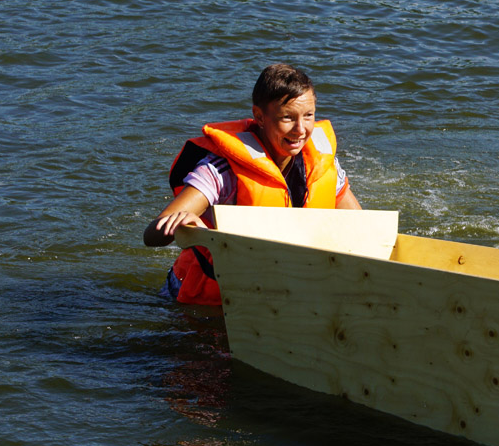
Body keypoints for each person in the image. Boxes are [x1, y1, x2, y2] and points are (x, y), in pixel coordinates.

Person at [144, 63, 361, 304]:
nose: (300, 129)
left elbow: (361, 226)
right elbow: (152, 236)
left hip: (277, 289)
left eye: (308, 115)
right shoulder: (222, 170)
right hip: (202, 297)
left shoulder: (323, 162)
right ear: (259, 116)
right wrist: (190, 227)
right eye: (287, 117)